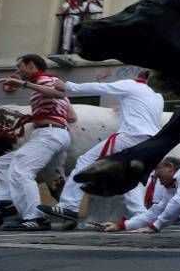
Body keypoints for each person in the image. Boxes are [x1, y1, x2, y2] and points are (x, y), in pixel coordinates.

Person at [38, 69, 164, 228]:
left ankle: (69, 206)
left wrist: (68, 86)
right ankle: (139, 215)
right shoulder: (157, 97)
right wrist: (123, 107)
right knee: (130, 177)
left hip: (129, 136)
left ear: (139, 77)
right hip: (148, 141)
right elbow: (141, 112)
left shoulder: (132, 85)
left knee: (86, 160)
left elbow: (102, 88)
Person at [0, 55, 74, 231]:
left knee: (21, 170)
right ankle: (7, 201)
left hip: (49, 134)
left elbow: (58, 93)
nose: (17, 71)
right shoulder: (46, 84)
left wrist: (23, 84)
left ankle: (35, 218)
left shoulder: (47, 80)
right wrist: (36, 116)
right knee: (1, 164)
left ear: (31, 66)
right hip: (56, 134)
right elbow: (72, 117)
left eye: (19, 66)